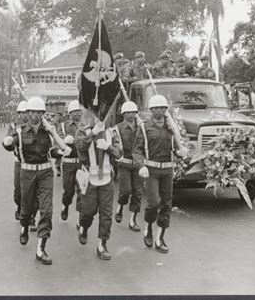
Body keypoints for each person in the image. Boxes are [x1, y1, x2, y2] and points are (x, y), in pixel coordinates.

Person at [2, 96, 72, 265]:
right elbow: (10, 145)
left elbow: (54, 150)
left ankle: (41, 248)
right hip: (27, 173)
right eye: (32, 112)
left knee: (46, 210)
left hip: (45, 173)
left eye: (38, 112)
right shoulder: (19, 130)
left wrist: (59, 150)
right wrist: (7, 143)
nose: (35, 115)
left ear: (42, 113)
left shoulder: (48, 130)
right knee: (26, 209)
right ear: (27, 113)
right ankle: (24, 227)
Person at [132, 94, 180, 254]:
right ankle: (148, 226)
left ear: (166, 110)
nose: (159, 111)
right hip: (151, 171)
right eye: (155, 108)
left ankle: (160, 238)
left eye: (162, 108)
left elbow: (179, 147)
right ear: (151, 110)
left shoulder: (173, 127)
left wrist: (182, 151)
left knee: (166, 204)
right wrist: (141, 165)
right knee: (153, 202)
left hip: (167, 169)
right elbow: (136, 150)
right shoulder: (144, 128)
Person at [75, 110, 123, 261]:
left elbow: (119, 153)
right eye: (97, 115)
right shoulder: (83, 130)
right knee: (88, 211)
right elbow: (80, 148)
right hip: (90, 178)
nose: (100, 118)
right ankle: (84, 227)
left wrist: (108, 147)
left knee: (106, 213)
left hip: (107, 178)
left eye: (104, 115)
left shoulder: (112, 132)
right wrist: (92, 134)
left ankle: (102, 244)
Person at [113, 101, 142, 232]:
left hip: (138, 164)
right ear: (123, 114)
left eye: (133, 112)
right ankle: (120, 206)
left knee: (138, 193)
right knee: (125, 191)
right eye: (128, 112)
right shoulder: (117, 129)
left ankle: (132, 220)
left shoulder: (142, 127)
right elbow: (115, 148)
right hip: (124, 163)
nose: (131, 115)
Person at [58, 100, 83, 224]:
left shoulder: (86, 126)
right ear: (69, 113)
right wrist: (64, 140)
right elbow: (57, 140)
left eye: (79, 111)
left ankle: (79, 218)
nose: (77, 114)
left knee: (82, 191)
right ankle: (65, 205)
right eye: (74, 111)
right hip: (68, 163)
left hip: (82, 163)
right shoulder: (64, 126)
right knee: (69, 191)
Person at [3, 101, 29, 221]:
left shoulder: (34, 125)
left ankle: (31, 216)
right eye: (22, 113)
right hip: (19, 162)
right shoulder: (14, 126)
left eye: (26, 112)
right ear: (18, 114)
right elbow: (9, 142)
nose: (24, 115)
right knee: (18, 190)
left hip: (32, 162)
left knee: (32, 191)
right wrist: (8, 142)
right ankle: (19, 206)